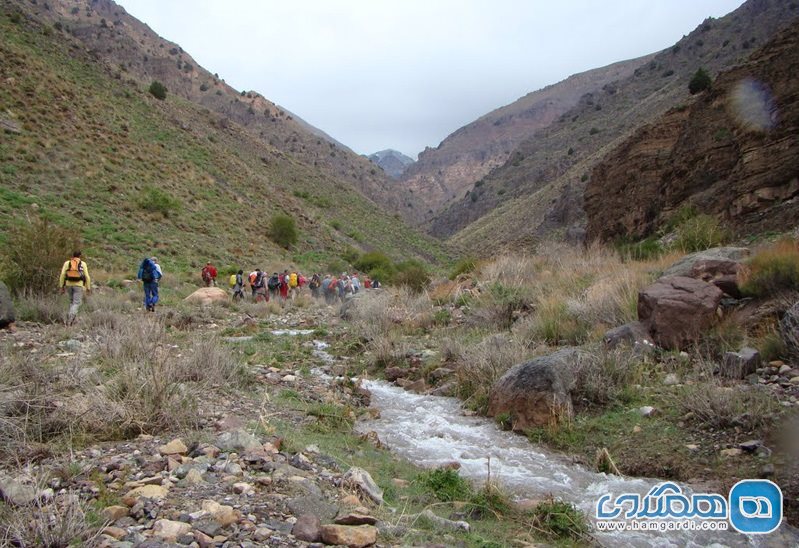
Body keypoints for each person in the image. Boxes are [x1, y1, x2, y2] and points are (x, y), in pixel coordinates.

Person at [59, 250, 91, 325]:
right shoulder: (83, 264)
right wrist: (88, 287)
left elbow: (62, 274)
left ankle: (72, 320)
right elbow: (87, 276)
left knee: (71, 301)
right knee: (77, 303)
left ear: (73, 256)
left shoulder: (67, 263)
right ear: (80, 256)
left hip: (68, 284)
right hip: (79, 285)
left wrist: (61, 286)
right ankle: (70, 317)